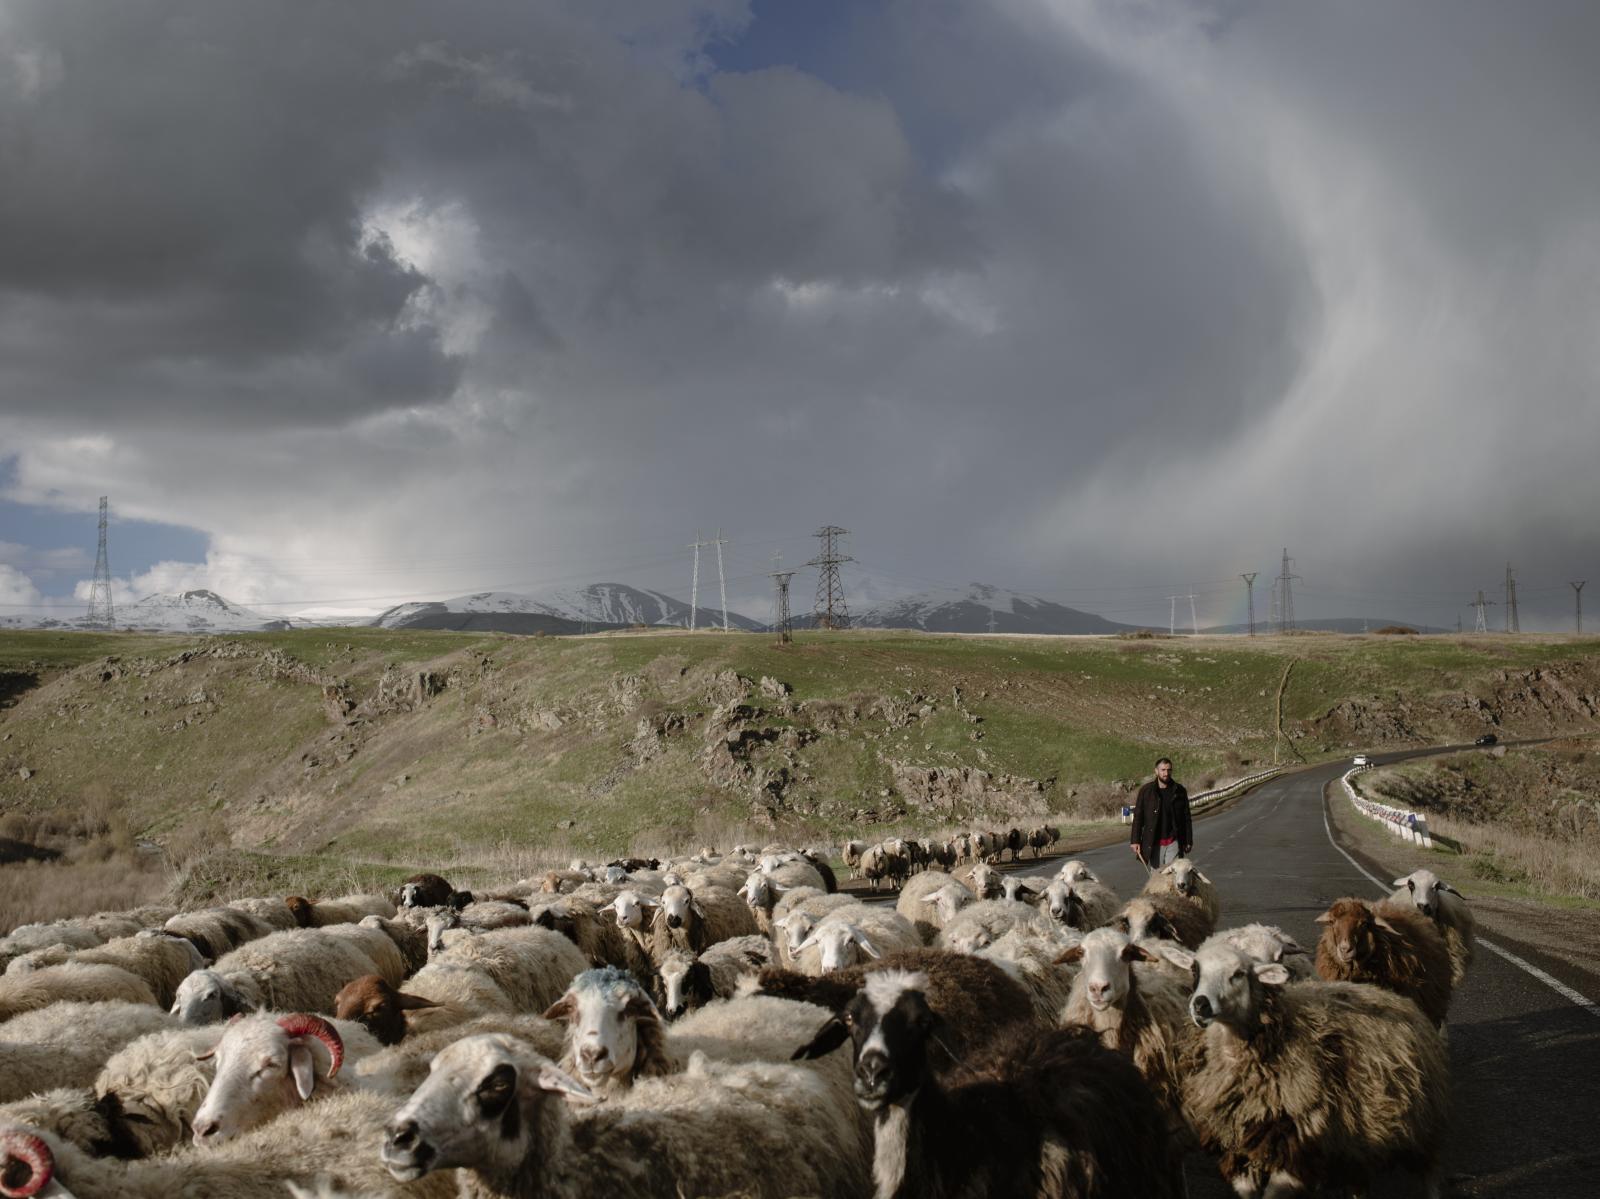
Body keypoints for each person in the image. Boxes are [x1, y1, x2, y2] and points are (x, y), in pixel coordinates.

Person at [1130, 757, 1192, 871]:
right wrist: (1135, 840)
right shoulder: (1146, 791)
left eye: (1169, 770)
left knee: (1173, 875)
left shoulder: (1180, 790)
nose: (1166, 773)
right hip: (1153, 842)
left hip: (1174, 841)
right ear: (1156, 771)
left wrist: (1188, 840)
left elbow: (1186, 817)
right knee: (1157, 877)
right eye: (1163, 770)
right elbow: (1138, 816)